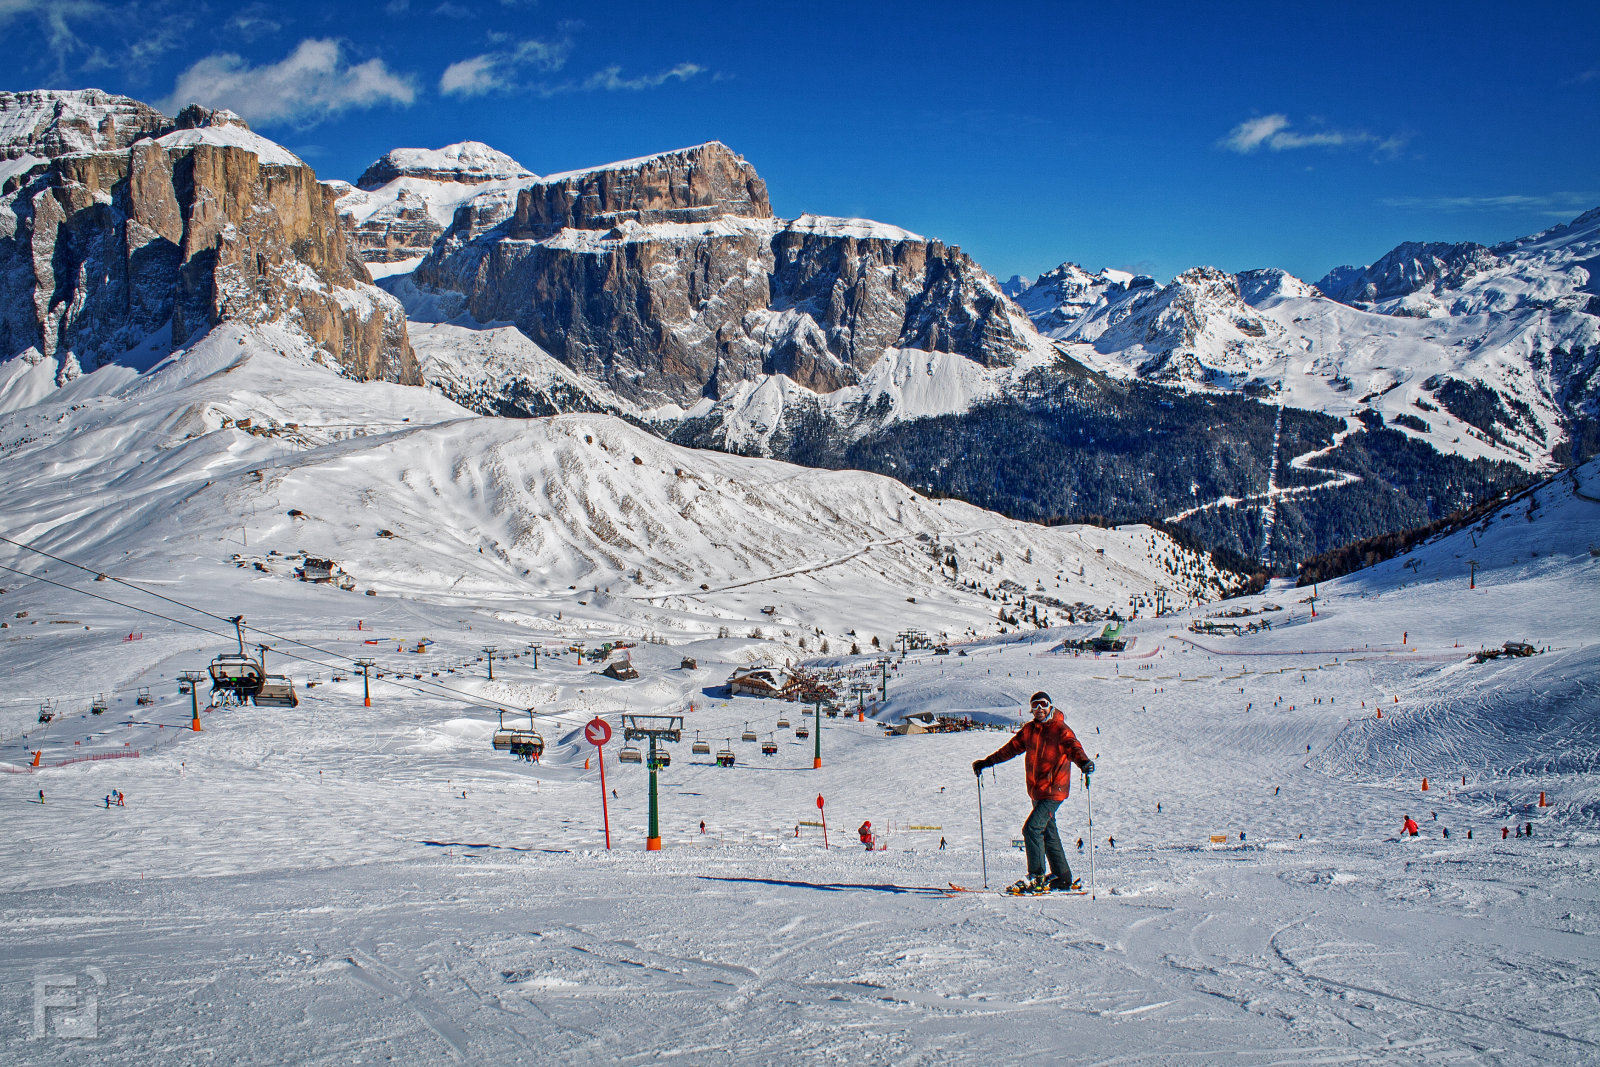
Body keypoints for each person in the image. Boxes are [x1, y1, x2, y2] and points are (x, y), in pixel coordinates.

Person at [974, 692, 1093, 894]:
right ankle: (1062, 877)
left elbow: (1074, 747)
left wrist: (1084, 763)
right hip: (1037, 791)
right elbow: (1010, 749)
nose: (1039, 710)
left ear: (1050, 707)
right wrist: (986, 762)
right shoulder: (1030, 730)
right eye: (1034, 706)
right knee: (1048, 832)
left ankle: (1036, 877)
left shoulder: (1060, 730)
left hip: (1054, 790)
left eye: (1043, 705)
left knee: (1031, 829)